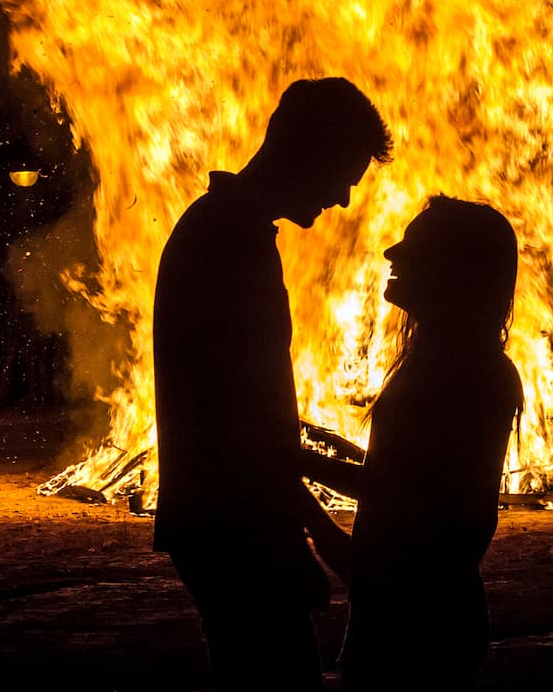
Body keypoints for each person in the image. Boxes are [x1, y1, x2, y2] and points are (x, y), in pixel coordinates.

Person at [152, 77, 393, 691]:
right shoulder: (228, 241)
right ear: (305, 150)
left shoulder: (228, 228)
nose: (342, 198)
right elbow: (238, 422)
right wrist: (310, 538)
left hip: (229, 516)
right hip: (233, 522)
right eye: (341, 176)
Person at [303, 196, 524, 690]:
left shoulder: (464, 377)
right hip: (424, 626)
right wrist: (299, 470)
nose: (392, 253)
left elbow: (399, 502)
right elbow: (395, 488)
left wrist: (293, 479)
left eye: (415, 247)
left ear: (453, 271)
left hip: (417, 637)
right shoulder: (457, 368)